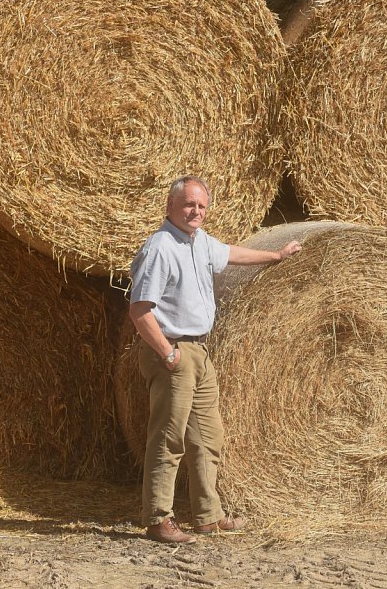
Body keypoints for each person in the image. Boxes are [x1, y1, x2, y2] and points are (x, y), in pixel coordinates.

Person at [129, 175, 302, 544]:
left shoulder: (198, 242)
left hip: (200, 352)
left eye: (202, 206)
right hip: (174, 351)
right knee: (168, 439)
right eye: (189, 204)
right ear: (170, 206)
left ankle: (208, 515)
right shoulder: (160, 248)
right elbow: (140, 310)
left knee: (208, 437)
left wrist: (276, 255)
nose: (196, 211)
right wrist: (168, 353)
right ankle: (158, 518)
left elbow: (232, 253)